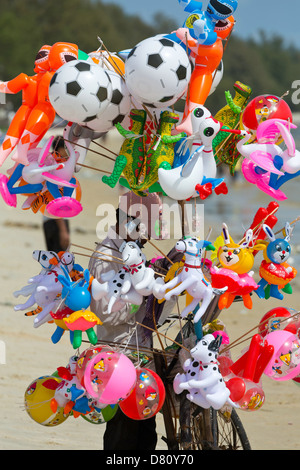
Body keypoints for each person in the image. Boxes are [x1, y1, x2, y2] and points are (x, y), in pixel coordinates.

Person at [88, 191, 182, 450]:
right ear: (128, 224)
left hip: (143, 359)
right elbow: (109, 314)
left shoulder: (133, 253)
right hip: (118, 360)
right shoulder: (107, 259)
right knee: (122, 433)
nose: (147, 237)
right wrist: (142, 293)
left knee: (146, 434)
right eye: (144, 230)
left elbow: (153, 315)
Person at [42, 136, 70, 252]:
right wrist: (63, 229)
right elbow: (56, 200)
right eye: (67, 149)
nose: (69, 152)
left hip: (48, 221)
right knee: (61, 264)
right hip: (57, 222)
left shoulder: (50, 166)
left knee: (53, 264)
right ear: (59, 149)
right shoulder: (58, 169)